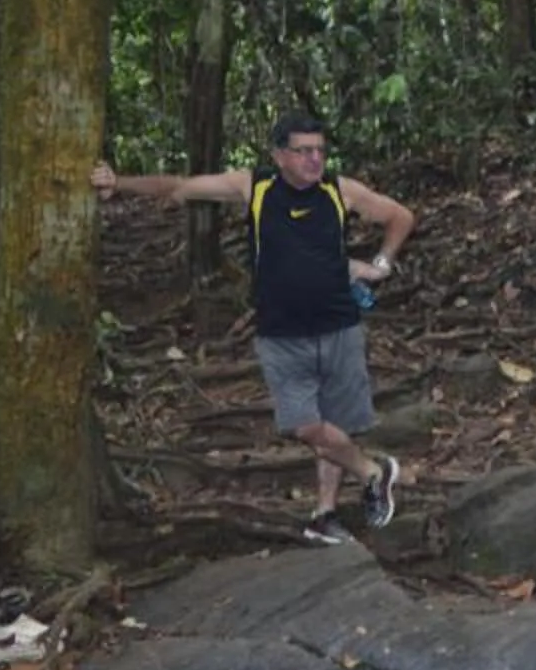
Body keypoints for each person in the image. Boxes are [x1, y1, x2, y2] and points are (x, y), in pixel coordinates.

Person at [93, 112, 414, 544]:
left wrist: (379, 265)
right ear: (280, 154)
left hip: (339, 326)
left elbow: (400, 217)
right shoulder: (255, 187)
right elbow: (180, 187)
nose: (314, 160)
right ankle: (375, 471)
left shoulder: (341, 190)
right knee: (306, 427)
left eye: (320, 150)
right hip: (281, 333)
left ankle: (325, 514)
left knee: (336, 423)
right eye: (303, 151)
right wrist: (121, 183)